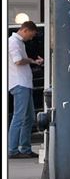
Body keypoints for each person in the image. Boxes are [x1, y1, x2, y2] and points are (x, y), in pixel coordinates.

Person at [8, 21, 42, 159]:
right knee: (19, 117)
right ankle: (13, 149)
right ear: (26, 30)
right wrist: (31, 61)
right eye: (32, 35)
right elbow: (18, 60)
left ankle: (25, 148)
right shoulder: (13, 42)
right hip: (19, 83)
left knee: (28, 117)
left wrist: (33, 61)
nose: (32, 38)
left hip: (24, 83)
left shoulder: (19, 42)